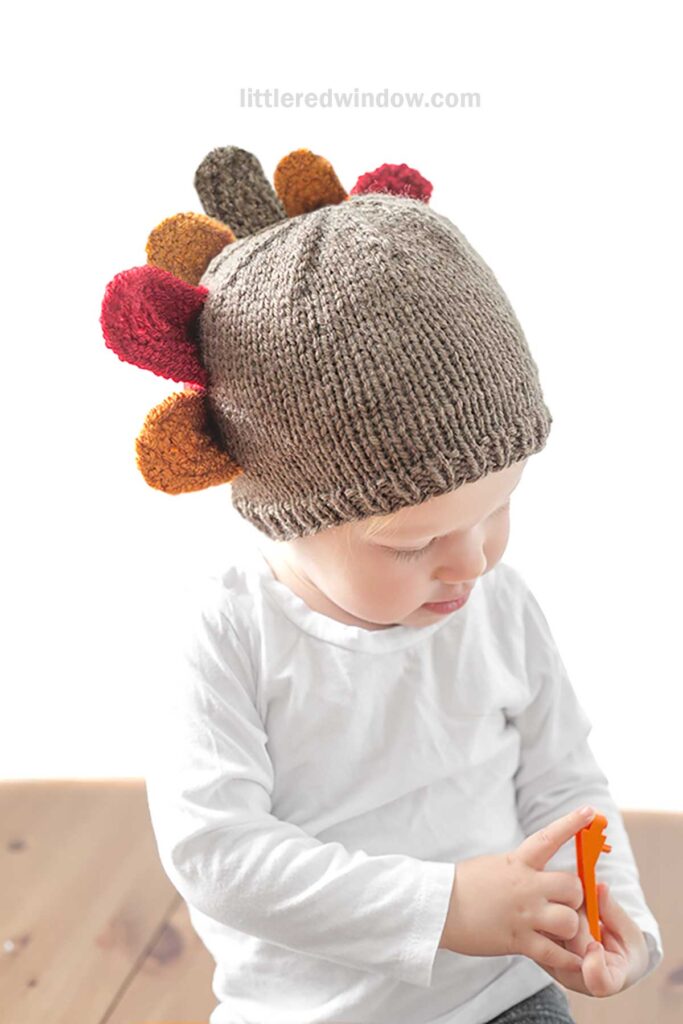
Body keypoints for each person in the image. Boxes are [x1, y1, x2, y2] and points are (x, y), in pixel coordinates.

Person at [101, 145, 663, 1024]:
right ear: (287, 515)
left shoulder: (497, 602)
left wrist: (610, 911)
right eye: (415, 542)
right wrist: (443, 908)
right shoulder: (225, 632)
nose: (472, 561)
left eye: (498, 507)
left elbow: (562, 782)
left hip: (501, 995)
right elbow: (218, 852)